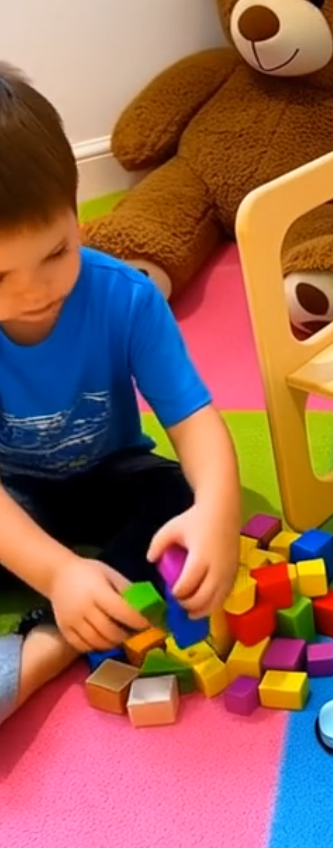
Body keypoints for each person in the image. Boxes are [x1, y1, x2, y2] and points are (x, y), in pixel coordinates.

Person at [0, 63, 242, 729]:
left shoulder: (124, 296)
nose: (34, 290)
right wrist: (55, 570)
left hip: (111, 478)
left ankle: (46, 643)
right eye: (0, 275)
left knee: (183, 497)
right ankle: (65, 609)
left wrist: (217, 514)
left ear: (78, 211)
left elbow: (193, 420)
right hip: (10, 501)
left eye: (56, 251)